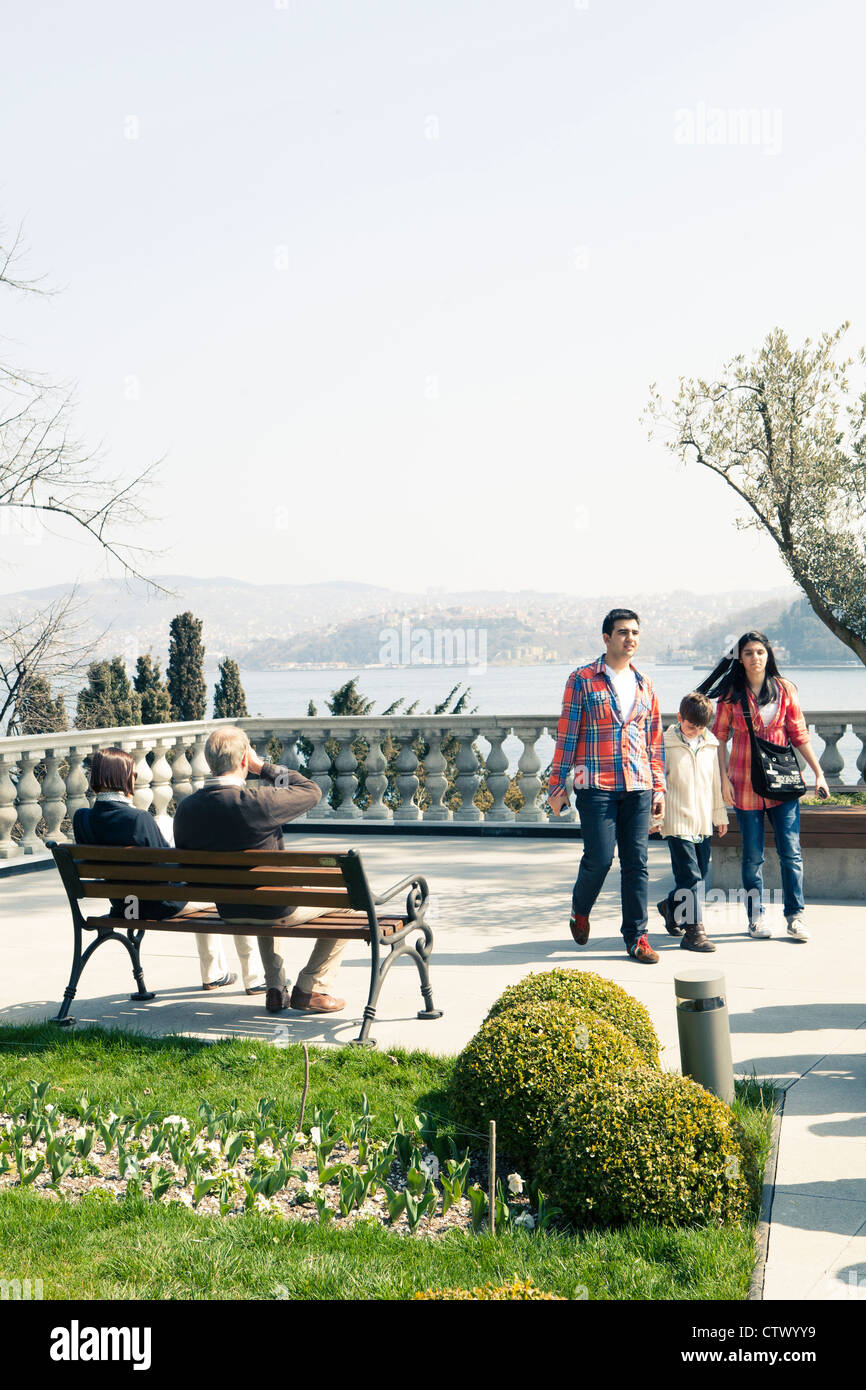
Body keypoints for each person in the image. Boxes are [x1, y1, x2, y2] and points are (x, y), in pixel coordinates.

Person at [173, 726, 350, 1014]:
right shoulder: (258, 803)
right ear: (243, 760)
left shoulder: (186, 809)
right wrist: (262, 767)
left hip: (228, 910)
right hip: (273, 909)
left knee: (263, 894)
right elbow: (311, 790)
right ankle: (312, 988)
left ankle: (275, 989)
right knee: (349, 903)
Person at [548, 608, 666, 964]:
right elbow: (567, 734)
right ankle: (580, 909)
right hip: (595, 784)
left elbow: (654, 741)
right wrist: (557, 786)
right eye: (622, 632)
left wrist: (658, 787)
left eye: (634, 632)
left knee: (637, 863)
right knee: (599, 859)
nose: (630, 638)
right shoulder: (582, 679)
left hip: (638, 785)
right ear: (606, 638)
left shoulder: (645, 684)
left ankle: (637, 937)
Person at [698, 630, 829, 942]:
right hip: (744, 784)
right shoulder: (732, 693)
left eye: (760, 652)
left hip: (783, 783)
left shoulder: (784, 690)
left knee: (791, 853)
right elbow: (718, 738)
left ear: (768, 655)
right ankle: (756, 918)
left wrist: (819, 773)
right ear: (739, 659)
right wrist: (723, 781)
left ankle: (795, 916)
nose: (755, 658)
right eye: (748, 653)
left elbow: (799, 733)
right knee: (753, 856)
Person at [72, 747, 187, 926]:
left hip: (123, 905)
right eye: (134, 774)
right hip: (157, 906)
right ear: (124, 777)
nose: (135, 778)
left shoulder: (81, 818)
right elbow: (166, 870)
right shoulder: (138, 819)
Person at [656, 692, 728, 953]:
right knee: (692, 877)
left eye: (700, 727)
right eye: (690, 726)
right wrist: (656, 818)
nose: (694, 731)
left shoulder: (710, 743)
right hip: (676, 821)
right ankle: (694, 931)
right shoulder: (664, 744)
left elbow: (715, 782)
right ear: (679, 718)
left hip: (703, 821)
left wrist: (719, 815)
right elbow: (658, 782)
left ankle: (670, 907)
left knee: (698, 875)